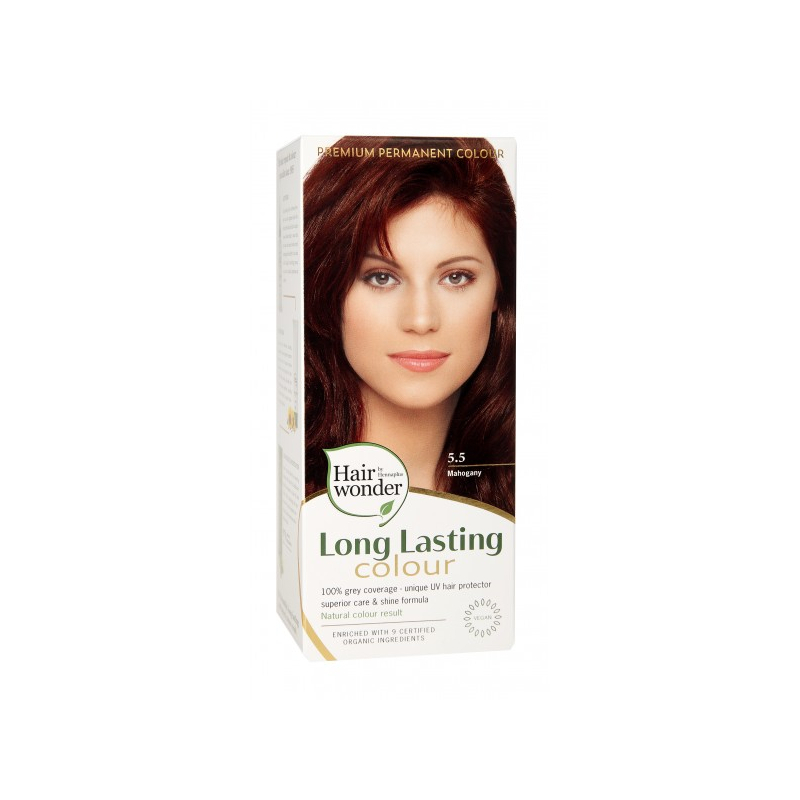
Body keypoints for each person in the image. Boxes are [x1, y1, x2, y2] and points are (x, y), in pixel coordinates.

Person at [303, 136, 516, 515]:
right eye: (381, 277)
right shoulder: (293, 499)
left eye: (456, 277)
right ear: (326, 289)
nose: (421, 320)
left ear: (500, 288)